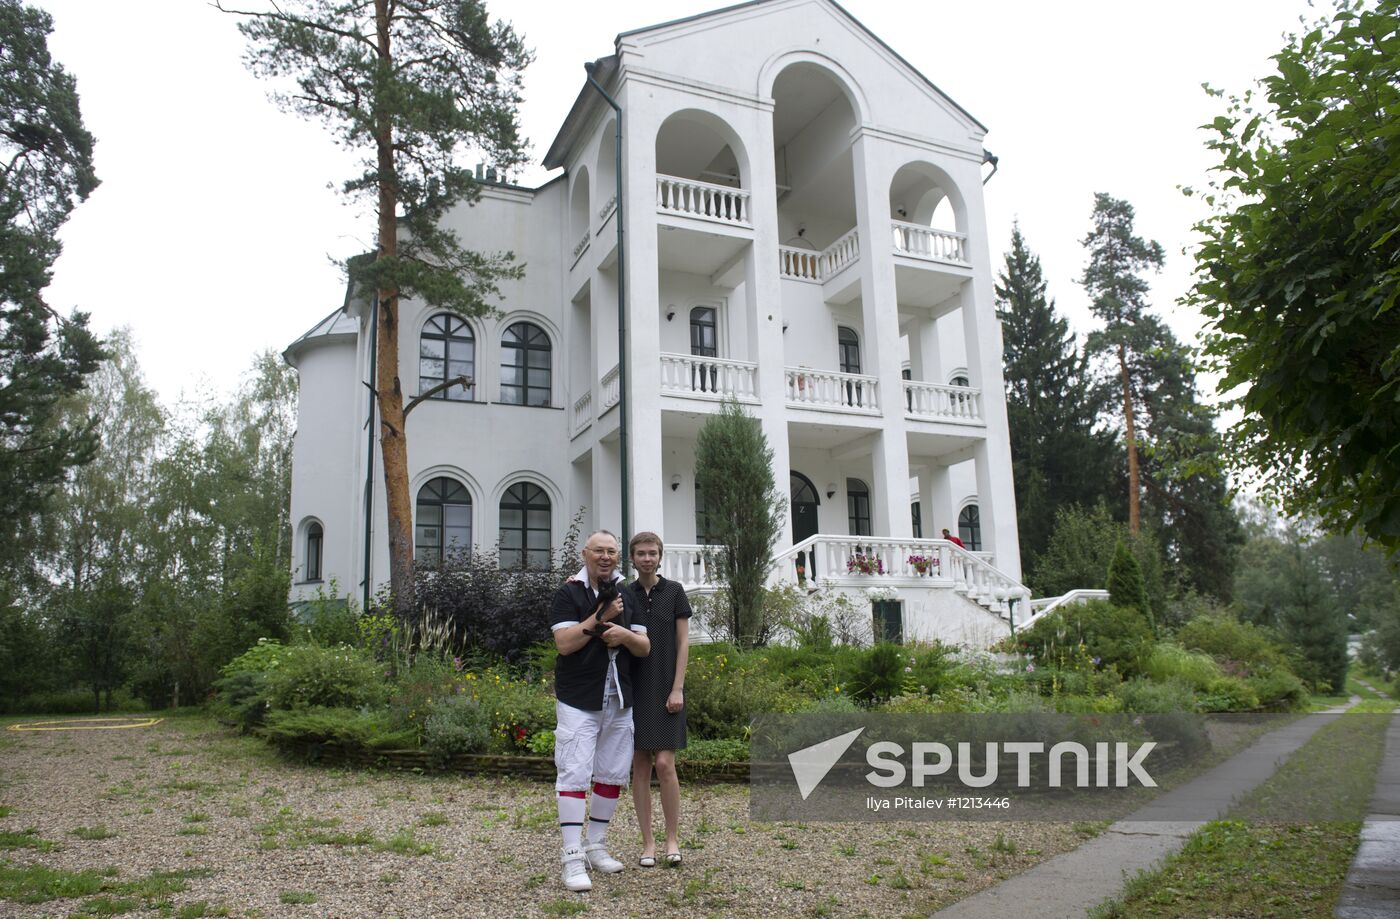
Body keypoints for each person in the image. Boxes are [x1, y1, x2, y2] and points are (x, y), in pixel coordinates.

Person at [549, 530, 650, 892]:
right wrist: (599, 618)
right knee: (574, 773)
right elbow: (564, 644)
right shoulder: (569, 592)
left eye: (611, 551)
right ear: (585, 554)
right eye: (599, 551)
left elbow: (644, 646)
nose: (606, 557)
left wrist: (624, 636)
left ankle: (596, 844)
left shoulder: (627, 593)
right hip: (579, 697)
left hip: (619, 697)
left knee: (610, 774)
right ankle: (572, 856)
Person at [625, 532, 692, 868]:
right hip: (634, 689)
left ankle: (671, 839)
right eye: (641, 553)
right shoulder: (626, 593)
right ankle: (647, 843)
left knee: (665, 764)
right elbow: (591, 592)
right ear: (633, 558)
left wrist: (677, 687)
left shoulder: (675, 592)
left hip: (667, 687)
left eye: (652, 553)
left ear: (660, 556)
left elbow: (683, 644)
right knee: (639, 766)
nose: (647, 558)